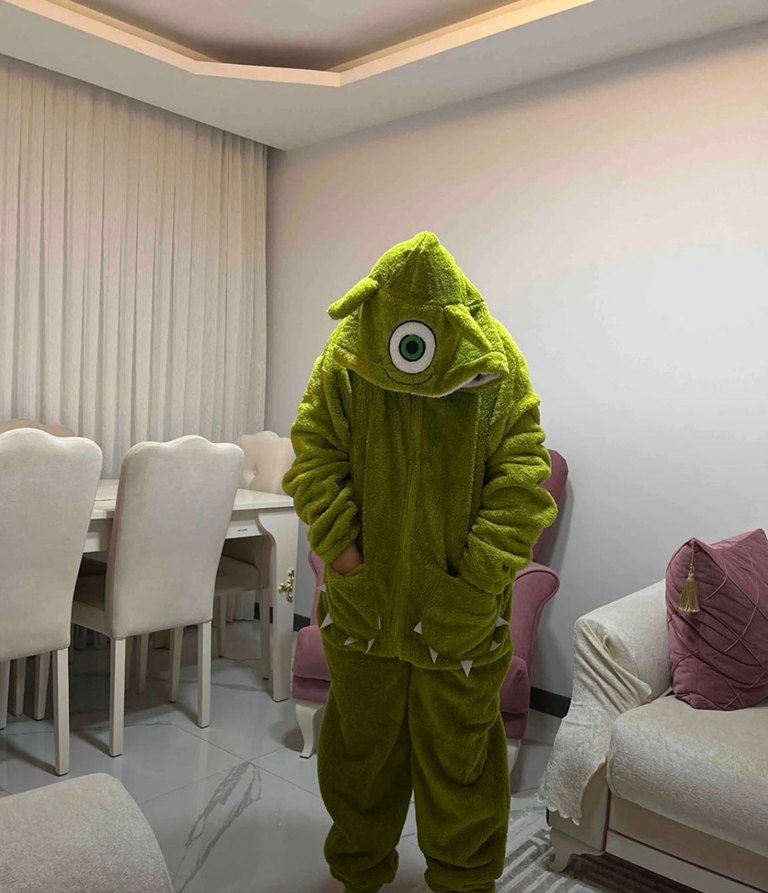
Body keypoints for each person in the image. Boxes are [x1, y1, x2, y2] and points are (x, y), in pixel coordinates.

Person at [283, 231, 558, 893]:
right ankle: (357, 872)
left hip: (461, 618)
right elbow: (314, 457)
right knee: (358, 754)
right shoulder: (350, 353)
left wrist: (475, 583)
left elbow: (523, 482)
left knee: (462, 761)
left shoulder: (494, 363)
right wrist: (346, 559)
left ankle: (464, 880)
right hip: (362, 611)